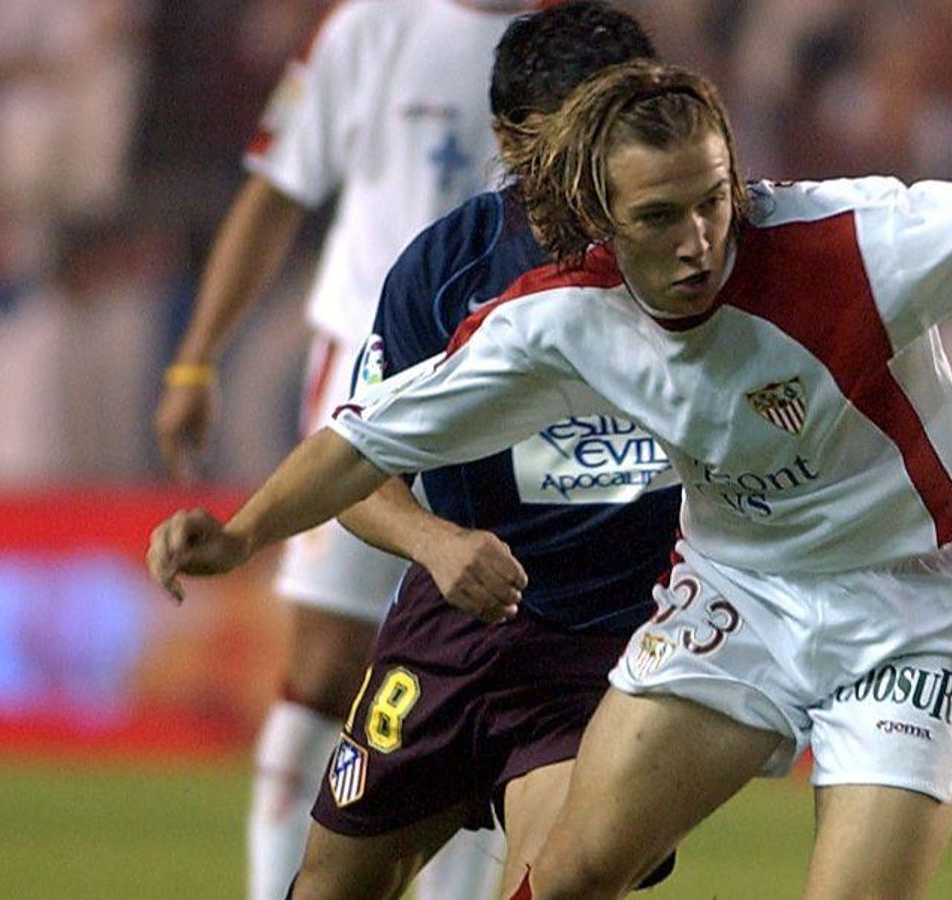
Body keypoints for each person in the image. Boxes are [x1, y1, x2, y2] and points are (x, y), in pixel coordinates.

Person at [148, 61, 952, 900]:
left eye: (710, 201)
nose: (698, 241)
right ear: (602, 217)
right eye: (659, 220)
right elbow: (370, 438)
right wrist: (240, 533)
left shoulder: (856, 242)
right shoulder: (554, 324)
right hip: (737, 600)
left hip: (911, 609)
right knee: (573, 876)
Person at [149, 2, 557, 898]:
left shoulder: (567, 40)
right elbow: (275, 190)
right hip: (370, 366)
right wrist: (195, 357)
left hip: (521, 373)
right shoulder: (368, 26)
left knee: (496, 664)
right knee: (327, 663)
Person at [289, 5, 677, 899]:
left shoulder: (710, 261)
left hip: (614, 649)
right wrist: (436, 543)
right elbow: (355, 463)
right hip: (452, 628)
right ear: (508, 137)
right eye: (572, 139)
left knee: (560, 882)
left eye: (615, 133)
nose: (598, 169)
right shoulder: (445, 270)